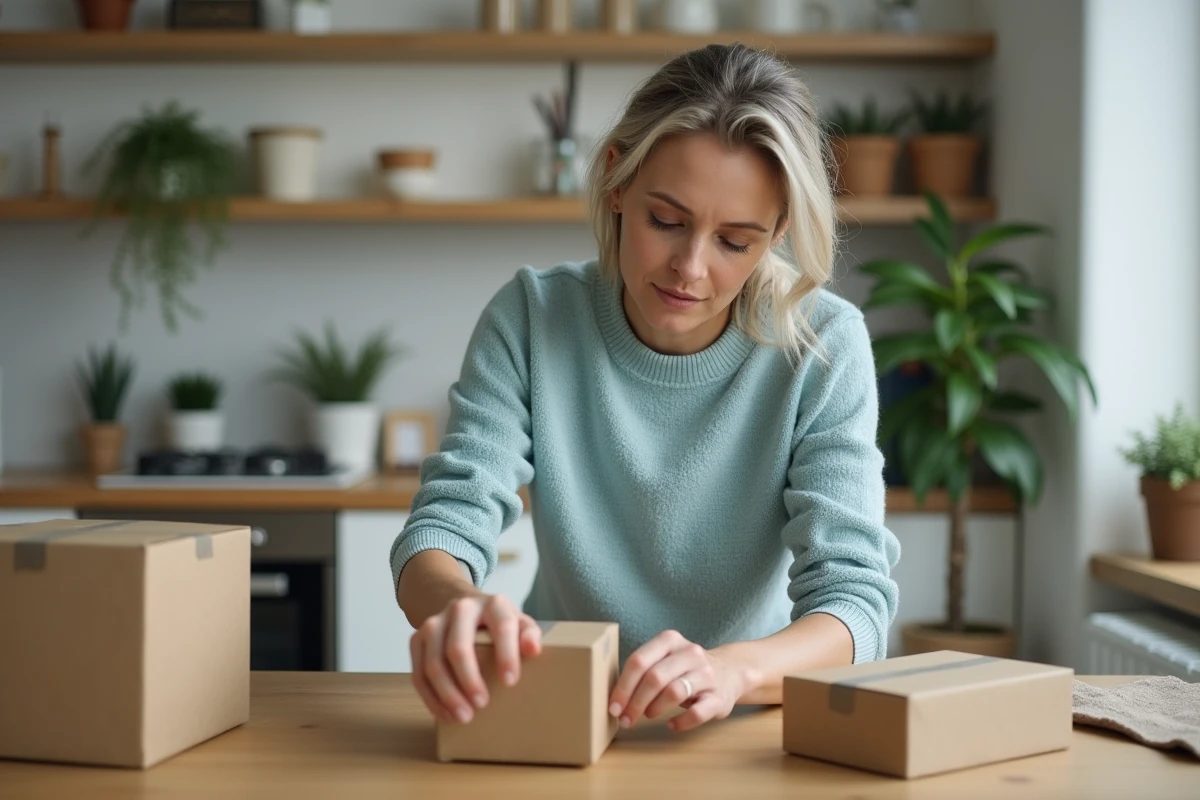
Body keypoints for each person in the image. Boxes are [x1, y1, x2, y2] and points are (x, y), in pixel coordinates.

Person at [392, 42, 900, 735]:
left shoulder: (824, 344)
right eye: (667, 220)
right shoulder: (533, 317)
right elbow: (443, 528)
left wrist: (733, 671)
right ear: (617, 182)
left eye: (736, 241)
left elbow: (856, 603)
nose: (690, 268)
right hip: (554, 704)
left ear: (778, 232)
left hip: (743, 721)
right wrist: (457, 604)